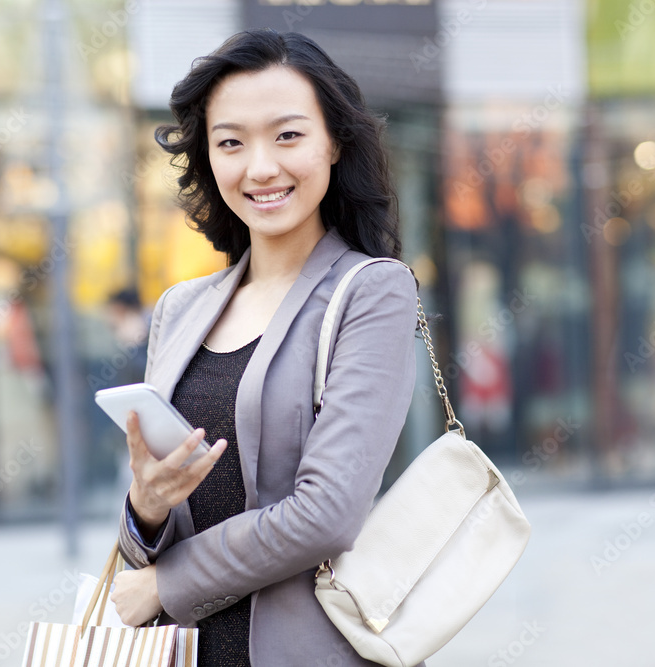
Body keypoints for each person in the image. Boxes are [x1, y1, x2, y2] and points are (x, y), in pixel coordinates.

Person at [110, 29, 420, 666]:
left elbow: (328, 513)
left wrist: (168, 584)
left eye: (288, 135)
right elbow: (142, 536)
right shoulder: (179, 309)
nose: (261, 167)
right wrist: (145, 507)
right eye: (231, 142)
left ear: (333, 142)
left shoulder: (372, 292)